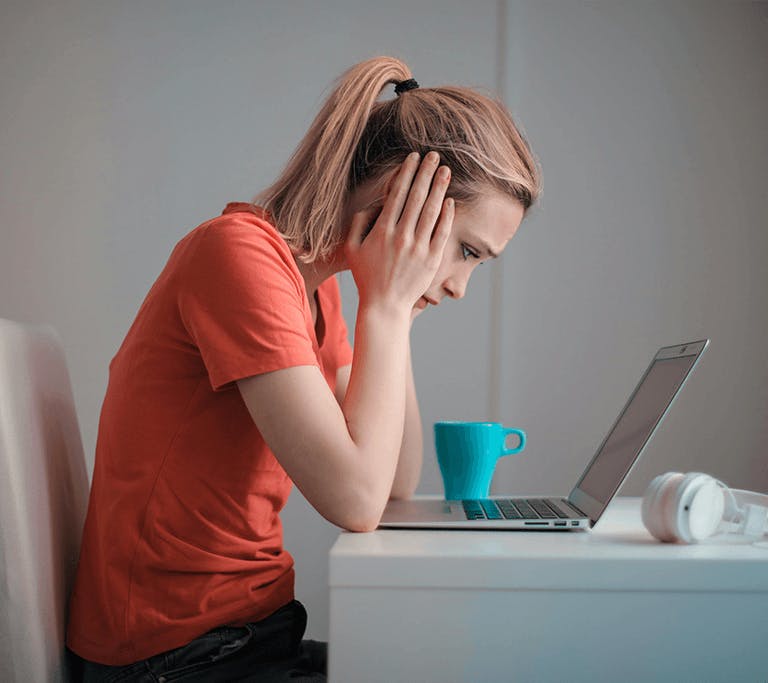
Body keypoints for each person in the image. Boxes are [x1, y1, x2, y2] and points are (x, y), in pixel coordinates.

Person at [66, 56, 541, 682]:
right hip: (172, 657)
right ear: (404, 198)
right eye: (468, 251)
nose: (461, 287)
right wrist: (390, 308)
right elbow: (356, 500)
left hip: (247, 635)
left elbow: (394, 478)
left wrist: (395, 306)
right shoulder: (238, 258)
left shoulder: (317, 291)